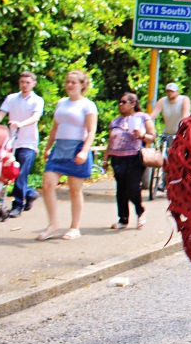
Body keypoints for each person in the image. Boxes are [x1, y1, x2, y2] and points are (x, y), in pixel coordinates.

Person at [38, 70, 98, 241]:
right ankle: (53, 225)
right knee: (48, 185)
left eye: (74, 82)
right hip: (60, 148)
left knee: (74, 190)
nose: (70, 85)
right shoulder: (61, 103)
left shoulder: (88, 105)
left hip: (77, 147)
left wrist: (85, 150)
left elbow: (92, 130)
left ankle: (75, 227)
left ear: (82, 85)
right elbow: (55, 128)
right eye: (68, 81)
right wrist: (48, 147)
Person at [0, 71, 44, 218]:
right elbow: (1, 114)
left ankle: (17, 206)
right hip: (12, 143)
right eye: (22, 82)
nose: (24, 85)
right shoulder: (11, 98)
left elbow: (36, 117)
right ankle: (30, 193)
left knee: (21, 175)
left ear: (33, 84)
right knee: (9, 174)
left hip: (29, 143)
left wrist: (21, 123)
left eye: (28, 82)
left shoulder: (37, 100)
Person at [103, 93, 155, 230]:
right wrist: (105, 159)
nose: (120, 105)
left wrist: (142, 135)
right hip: (117, 157)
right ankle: (123, 219)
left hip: (134, 156)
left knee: (132, 187)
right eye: (119, 102)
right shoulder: (115, 121)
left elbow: (152, 137)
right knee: (121, 189)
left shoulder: (143, 117)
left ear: (133, 103)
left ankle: (140, 210)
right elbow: (110, 141)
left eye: (123, 102)